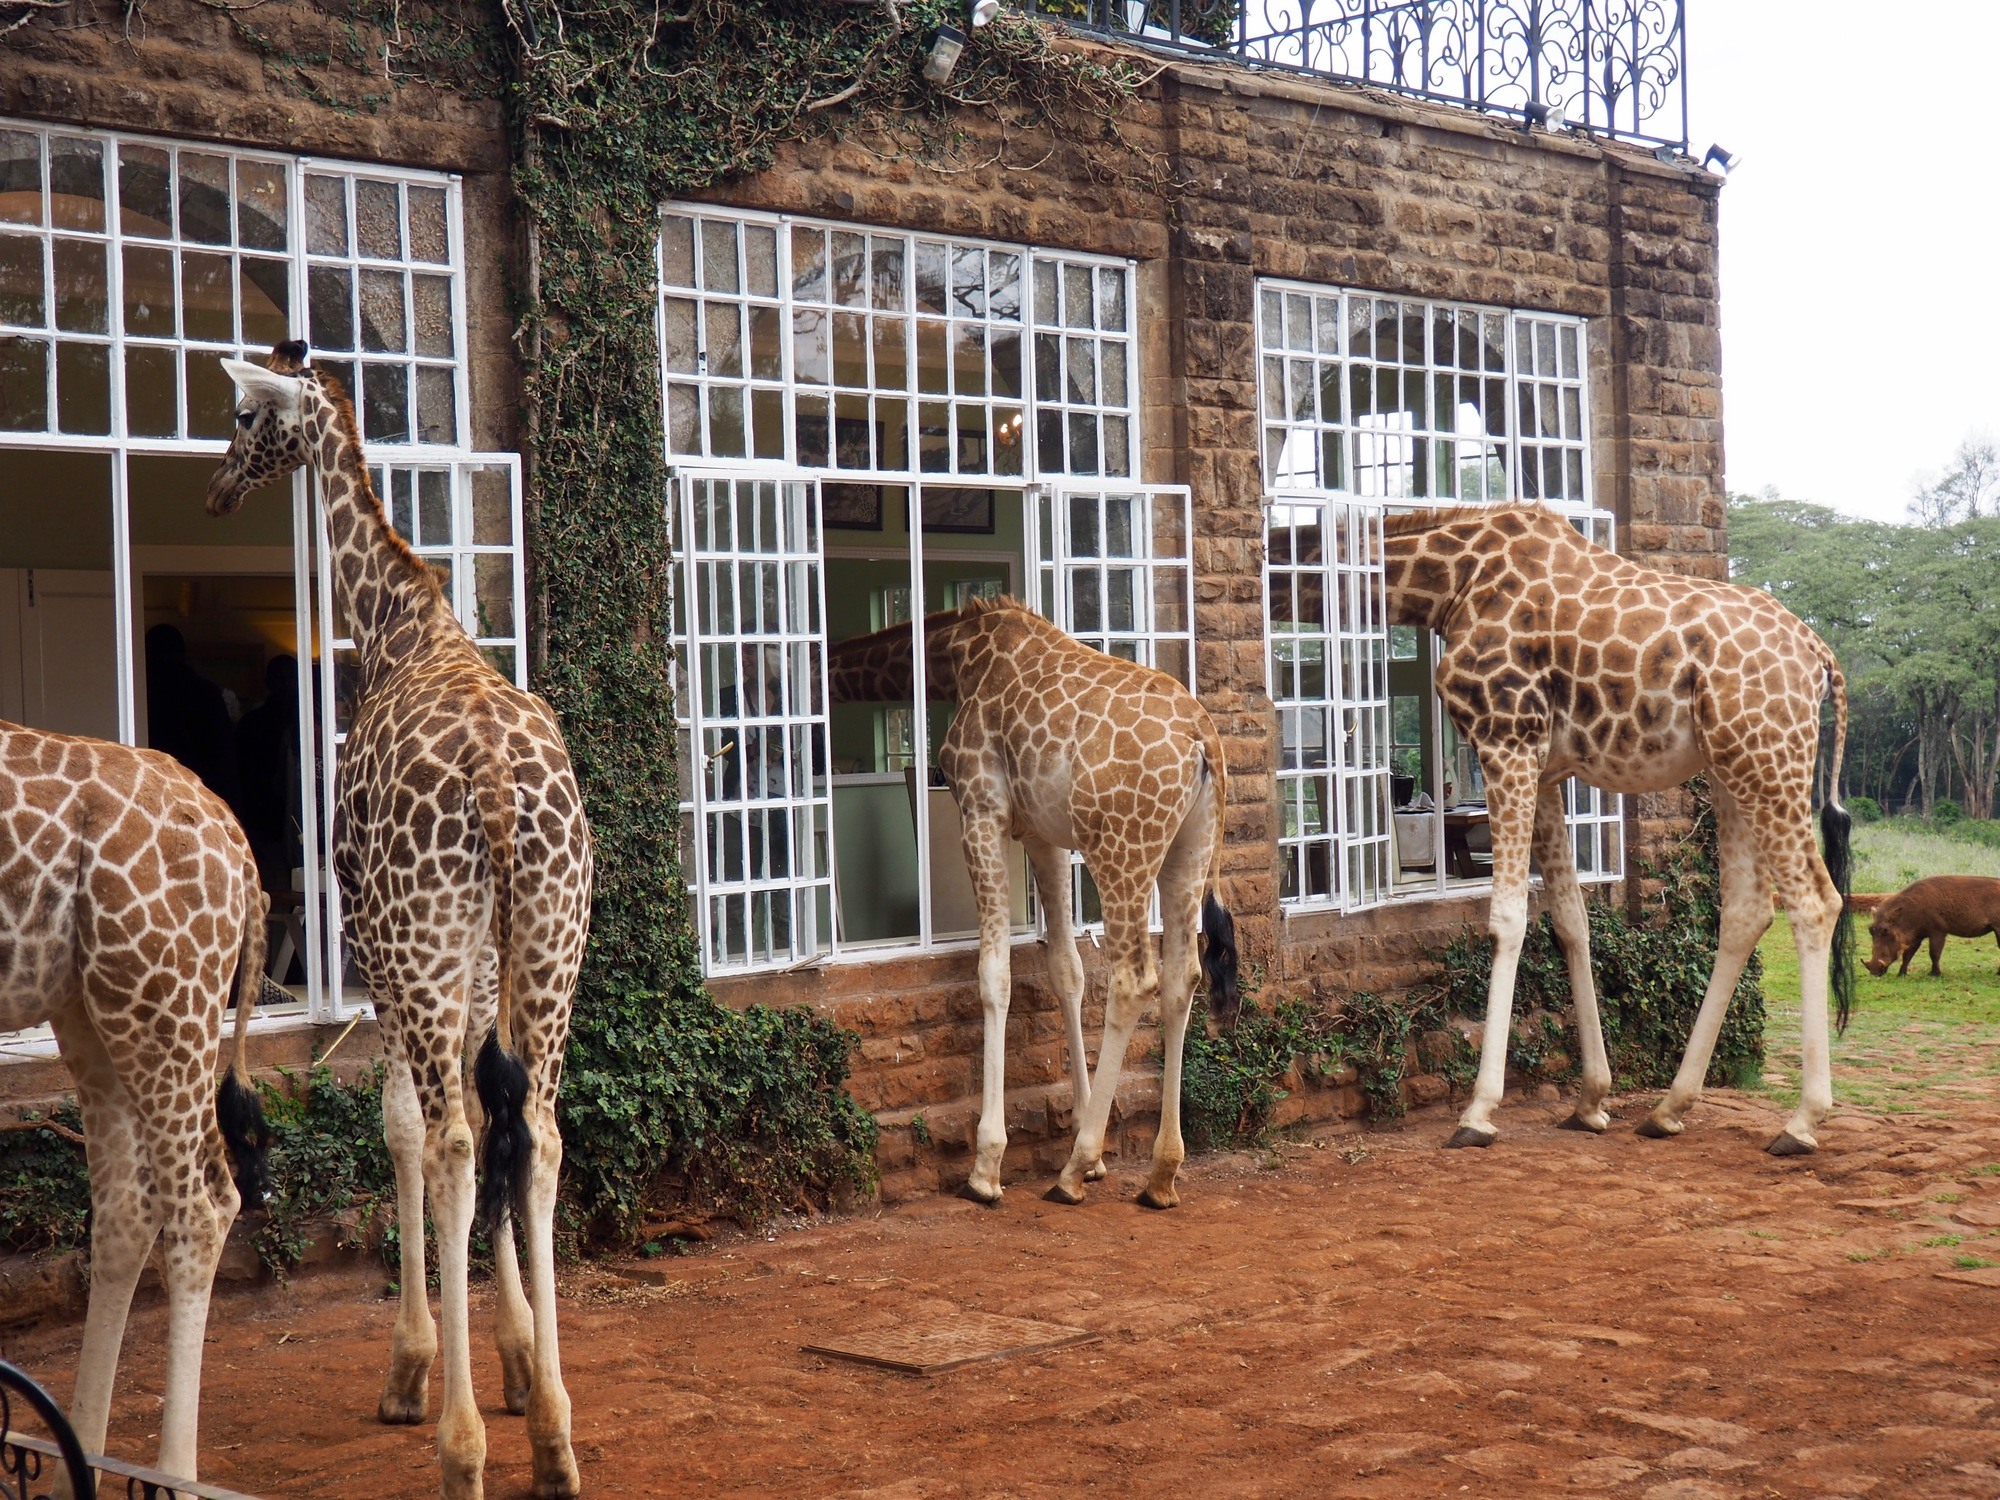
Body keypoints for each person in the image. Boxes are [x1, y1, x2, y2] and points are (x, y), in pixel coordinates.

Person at [144, 623, 240, 808]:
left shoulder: (144, 693)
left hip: (160, 787)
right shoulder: (205, 691)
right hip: (203, 790)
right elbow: (223, 753)